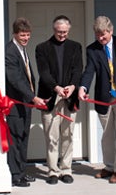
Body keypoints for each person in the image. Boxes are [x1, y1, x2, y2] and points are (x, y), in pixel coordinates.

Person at [78, 16, 116, 184]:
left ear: (111, 31)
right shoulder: (92, 50)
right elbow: (89, 71)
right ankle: (109, 167)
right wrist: (83, 87)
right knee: (107, 135)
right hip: (104, 98)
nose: (101, 38)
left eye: (104, 34)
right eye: (98, 35)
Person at [35, 15, 83, 185]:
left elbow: (78, 69)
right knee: (51, 136)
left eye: (64, 32)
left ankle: (66, 170)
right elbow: (44, 72)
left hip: (69, 98)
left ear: (68, 30)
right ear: (53, 30)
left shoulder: (76, 47)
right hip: (50, 97)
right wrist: (57, 88)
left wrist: (72, 86)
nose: (62, 34)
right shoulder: (42, 48)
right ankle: (53, 171)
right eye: (59, 31)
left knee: (68, 135)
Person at [5, 17, 46, 187]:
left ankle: (22, 172)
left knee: (23, 138)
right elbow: (15, 79)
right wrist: (33, 97)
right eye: (22, 35)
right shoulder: (10, 51)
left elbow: (28, 77)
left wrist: (32, 97)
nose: (26, 38)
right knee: (15, 141)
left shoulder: (21, 49)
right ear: (15, 34)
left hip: (25, 104)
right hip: (15, 105)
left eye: (28, 35)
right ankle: (15, 175)